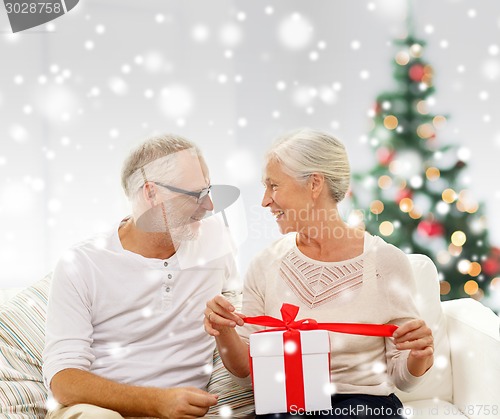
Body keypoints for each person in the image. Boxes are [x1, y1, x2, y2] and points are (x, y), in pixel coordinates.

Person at [204, 128, 434, 418]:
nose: (264, 200)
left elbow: (403, 378)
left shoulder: (385, 262)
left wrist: (419, 355)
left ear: (314, 184)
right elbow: (246, 373)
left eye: (274, 186)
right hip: (289, 404)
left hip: (363, 405)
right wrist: (223, 331)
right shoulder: (265, 264)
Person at [43, 134, 241, 419]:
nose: (209, 205)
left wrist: (226, 324)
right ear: (151, 194)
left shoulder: (216, 241)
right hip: (100, 410)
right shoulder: (82, 263)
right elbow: (63, 380)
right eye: (196, 194)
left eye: (208, 190)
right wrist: (156, 402)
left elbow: (241, 331)